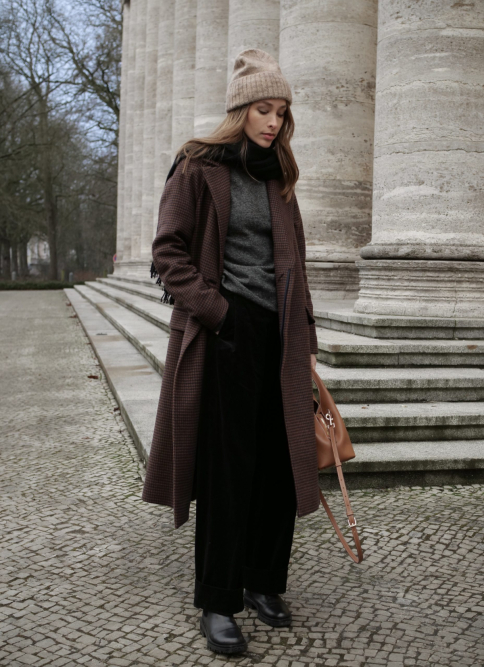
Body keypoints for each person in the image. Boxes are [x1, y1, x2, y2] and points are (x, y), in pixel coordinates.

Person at [142, 48, 320, 655]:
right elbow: (168, 253)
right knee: (228, 470)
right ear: (240, 110)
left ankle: (262, 582)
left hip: (282, 338)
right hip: (226, 336)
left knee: (279, 463)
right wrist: (218, 313)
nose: (274, 121)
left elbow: (298, 265)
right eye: (264, 109)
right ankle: (217, 601)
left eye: (281, 111)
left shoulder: (280, 174)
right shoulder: (198, 166)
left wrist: (308, 343)